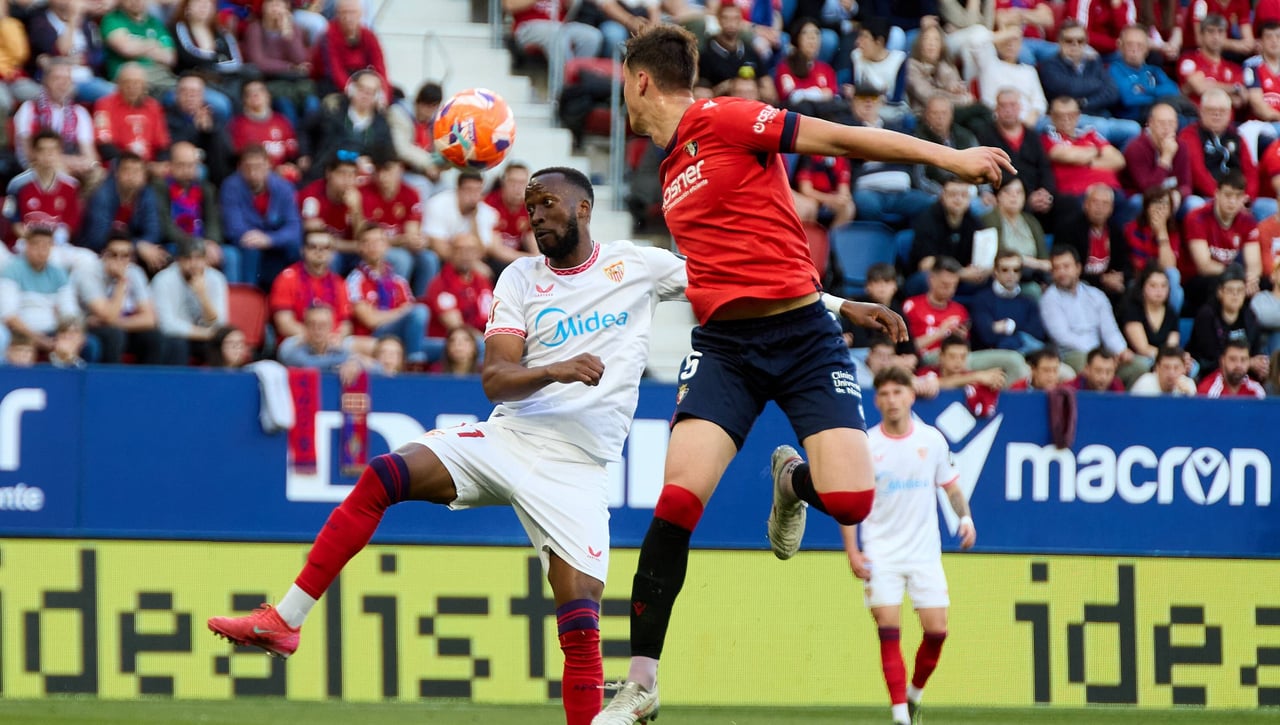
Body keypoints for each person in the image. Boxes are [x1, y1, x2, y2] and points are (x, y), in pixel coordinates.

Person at [594, 25, 1011, 722]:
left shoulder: (725, 117)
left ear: (640, 79)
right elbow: (743, 260)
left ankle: (791, 481)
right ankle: (641, 681)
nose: (622, 97)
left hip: (804, 340)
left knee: (851, 502)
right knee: (675, 504)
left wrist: (953, 159)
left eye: (623, 83)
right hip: (725, 345)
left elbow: (844, 139)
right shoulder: (668, 170)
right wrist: (845, 299)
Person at [208, 166, 690, 725]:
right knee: (384, 474)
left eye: (547, 204)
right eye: (529, 206)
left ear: (583, 209)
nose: (535, 215)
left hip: (579, 467)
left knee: (580, 625)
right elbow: (496, 379)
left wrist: (810, 305)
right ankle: (285, 620)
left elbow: (727, 280)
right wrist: (556, 369)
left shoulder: (638, 265)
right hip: (510, 434)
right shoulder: (519, 279)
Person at [842, 364, 975, 725]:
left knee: (937, 630)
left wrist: (965, 518)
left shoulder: (931, 440)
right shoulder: (866, 445)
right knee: (888, 628)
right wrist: (853, 550)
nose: (892, 400)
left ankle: (914, 694)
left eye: (898, 392)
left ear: (911, 395)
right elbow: (849, 502)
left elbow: (951, 485)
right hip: (880, 552)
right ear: (877, 401)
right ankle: (900, 715)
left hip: (923, 554)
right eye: (884, 394)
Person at [1040, 244, 1146, 383]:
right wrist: (1098, 357)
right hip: (1071, 355)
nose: (1062, 272)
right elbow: (1063, 337)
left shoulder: (1096, 295)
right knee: (1084, 363)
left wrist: (1121, 351)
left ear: (1078, 268)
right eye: (1057, 268)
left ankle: (1120, 402)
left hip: (1100, 354)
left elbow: (1110, 331)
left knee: (1139, 366)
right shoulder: (1049, 299)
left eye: (1066, 266)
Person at [74, 232, 168, 364]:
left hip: (115, 325)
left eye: (125, 256)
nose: (119, 260)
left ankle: (147, 383)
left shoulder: (135, 272)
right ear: (104, 254)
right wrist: (121, 281)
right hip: (88, 328)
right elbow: (108, 316)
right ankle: (112, 382)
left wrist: (118, 323)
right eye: (114, 254)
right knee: (114, 335)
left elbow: (150, 319)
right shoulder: (88, 273)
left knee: (155, 337)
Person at [220, 144, 304, 289]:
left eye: (258, 166)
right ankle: (248, 297)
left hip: (274, 243)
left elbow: (294, 227)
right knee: (250, 247)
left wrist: (270, 239)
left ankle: (292, 292)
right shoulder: (230, 186)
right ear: (240, 167)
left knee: (294, 246)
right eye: (248, 167)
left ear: (268, 165)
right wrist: (257, 238)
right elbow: (234, 226)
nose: (253, 172)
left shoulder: (284, 187)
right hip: (248, 244)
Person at [150, 238, 229, 362]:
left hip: (205, 336)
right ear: (178, 260)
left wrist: (203, 296)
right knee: (177, 344)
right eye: (188, 258)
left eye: (198, 258)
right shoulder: (163, 280)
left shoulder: (216, 279)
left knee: (223, 344)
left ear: (205, 260)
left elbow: (220, 323)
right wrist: (205, 334)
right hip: (177, 337)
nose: (193, 264)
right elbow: (166, 325)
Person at [968, 249, 1049, 354]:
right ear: (996, 272)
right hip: (993, 355)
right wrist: (1020, 332)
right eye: (1005, 270)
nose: (1011, 274)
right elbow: (987, 336)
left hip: (1028, 355)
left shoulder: (1028, 301)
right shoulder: (981, 299)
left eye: (1016, 270)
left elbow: (1038, 333)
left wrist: (1009, 326)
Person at [1109, 25, 1181, 123]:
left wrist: (1145, 89)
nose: (1134, 50)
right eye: (1129, 45)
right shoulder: (1114, 69)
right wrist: (1159, 97)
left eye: (1140, 45)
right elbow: (1128, 99)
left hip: (1157, 117)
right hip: (1133, 120)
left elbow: (1173, 90)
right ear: (1120, 46)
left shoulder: (1153, 70)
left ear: (1147, 49)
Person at [1198, 338, 1267, 397]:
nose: (1238, 365)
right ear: (1222, 361)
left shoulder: (1256, 390)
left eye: (1243, 360)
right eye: (1233, 359)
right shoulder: (1207, 390)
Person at [1131, 345, 1198, 395]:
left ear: (1183, 369)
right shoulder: (1145, 384)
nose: (1171, 372)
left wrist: (1187, 397)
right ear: (1157, 368)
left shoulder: (1188, 385)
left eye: (1176, 367)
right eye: (1166, 367)